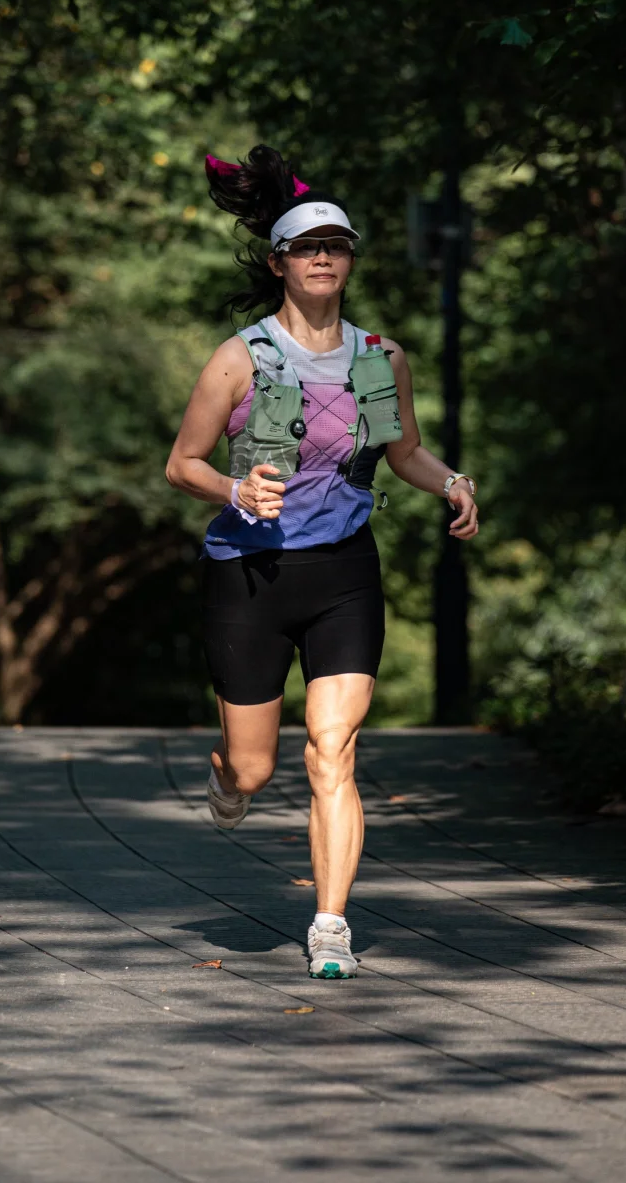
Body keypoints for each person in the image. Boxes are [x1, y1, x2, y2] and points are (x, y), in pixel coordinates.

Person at [165, 148, 478, 978]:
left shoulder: (382, 356)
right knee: (258, 765)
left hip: (343, 572)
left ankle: (331, 922)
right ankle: (227, 775)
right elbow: (182, 464)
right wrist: (237, 488)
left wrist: (449, 481)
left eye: (337, 245)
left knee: (331, 749)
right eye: (308, 246)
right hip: (250, 574)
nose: (323, 257)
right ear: (278, 263)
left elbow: (404, 451)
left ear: (349, 261)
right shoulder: (239, 357)